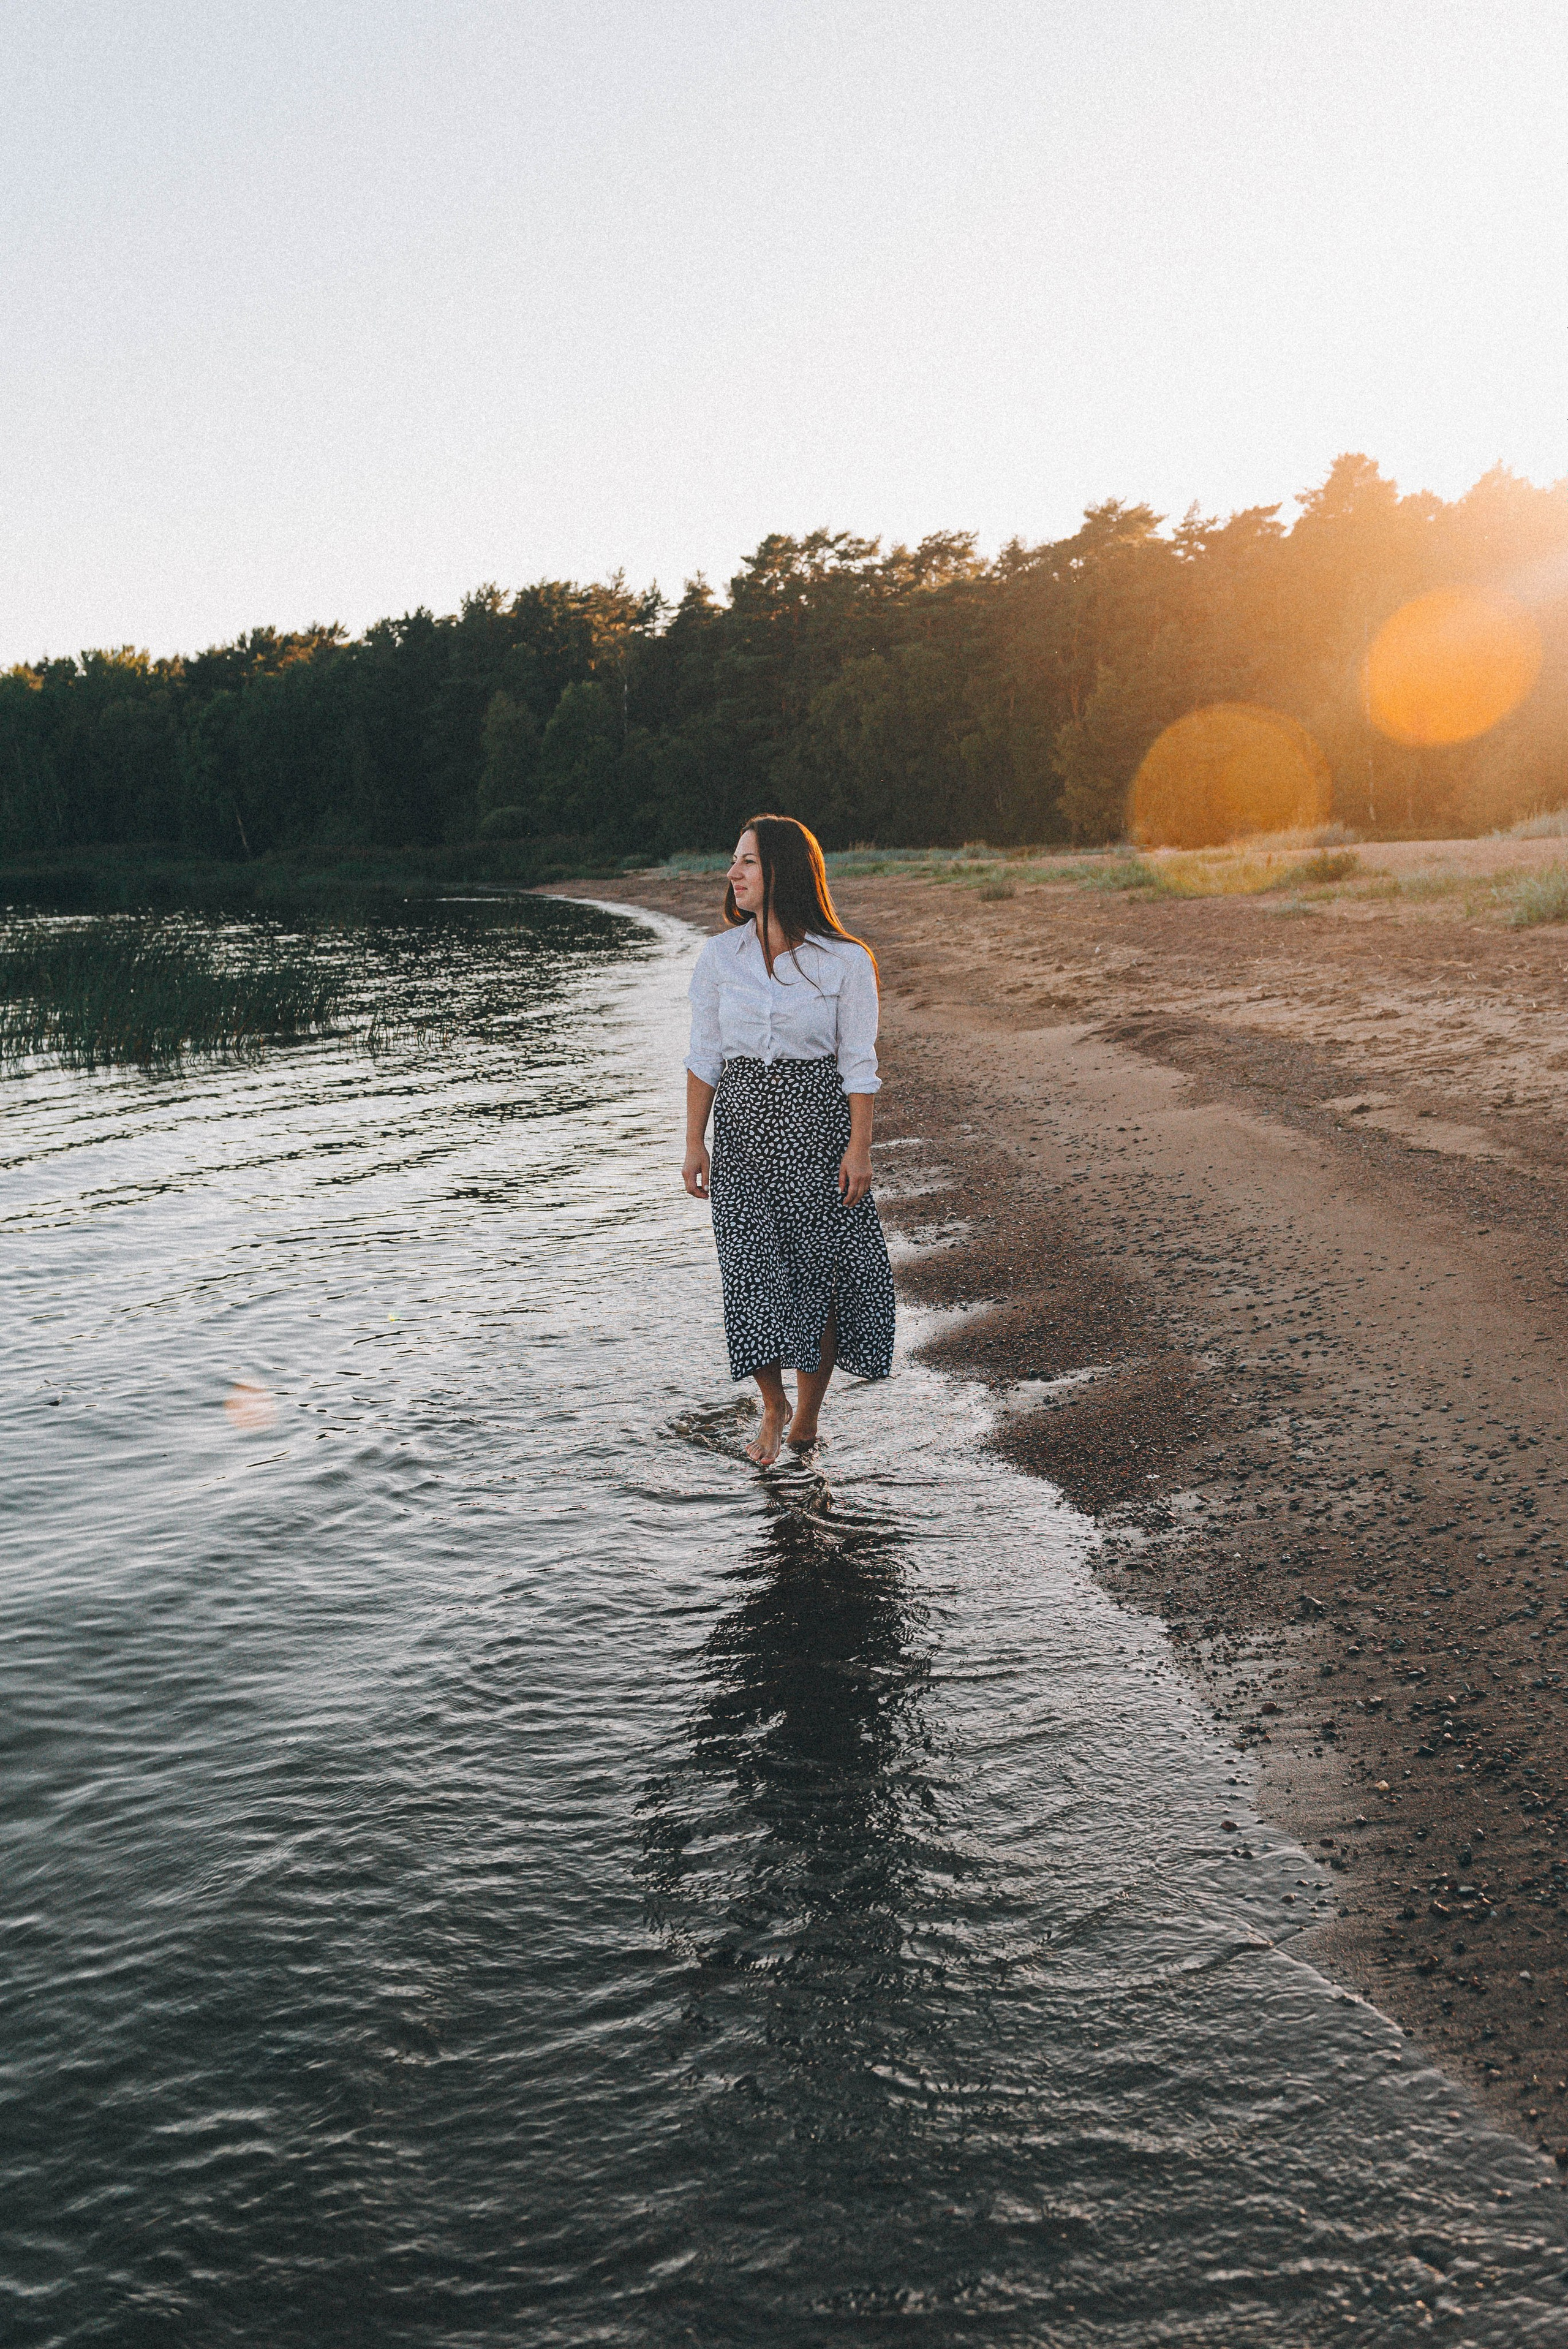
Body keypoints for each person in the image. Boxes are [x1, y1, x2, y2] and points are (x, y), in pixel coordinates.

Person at [682, 815, 896, 1466]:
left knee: (815, 1280)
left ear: (784, 870)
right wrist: (694, 1142)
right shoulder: (720, 957)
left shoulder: (845, 960)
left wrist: (859, 1149)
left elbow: (858, 1063)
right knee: (749, 1276)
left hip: (817, 1133)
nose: (733, 874)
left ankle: (806, 1418)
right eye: (734, 861)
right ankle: (772, 1406)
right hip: (742, 1135)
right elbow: (704, 1056)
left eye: (747, 861)